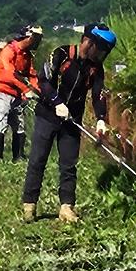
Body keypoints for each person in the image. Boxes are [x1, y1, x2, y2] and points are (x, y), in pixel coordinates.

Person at [21, 23, 116, 223]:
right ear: (88, 43)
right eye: (99, 50)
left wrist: (101, 119)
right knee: (38, 160)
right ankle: (29, 204)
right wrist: (56, 102)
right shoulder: (61, 54)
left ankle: (66, 206)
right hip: (48, 114)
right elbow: (44, 80)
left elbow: (99, 94)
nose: (100, 56)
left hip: (72, 120)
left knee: (69, 164)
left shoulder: (95, 69)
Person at [0, 26, 43, 161]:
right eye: (35, 39)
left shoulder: (27, 55)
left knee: (19, 124)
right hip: (3, 89)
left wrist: (38, 91)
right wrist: (26, 89)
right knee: (0, 120)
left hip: (17, 93)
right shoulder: (9, 51)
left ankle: (18, 156)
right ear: (28, 38)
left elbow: (31, 74)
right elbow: (10, 74)